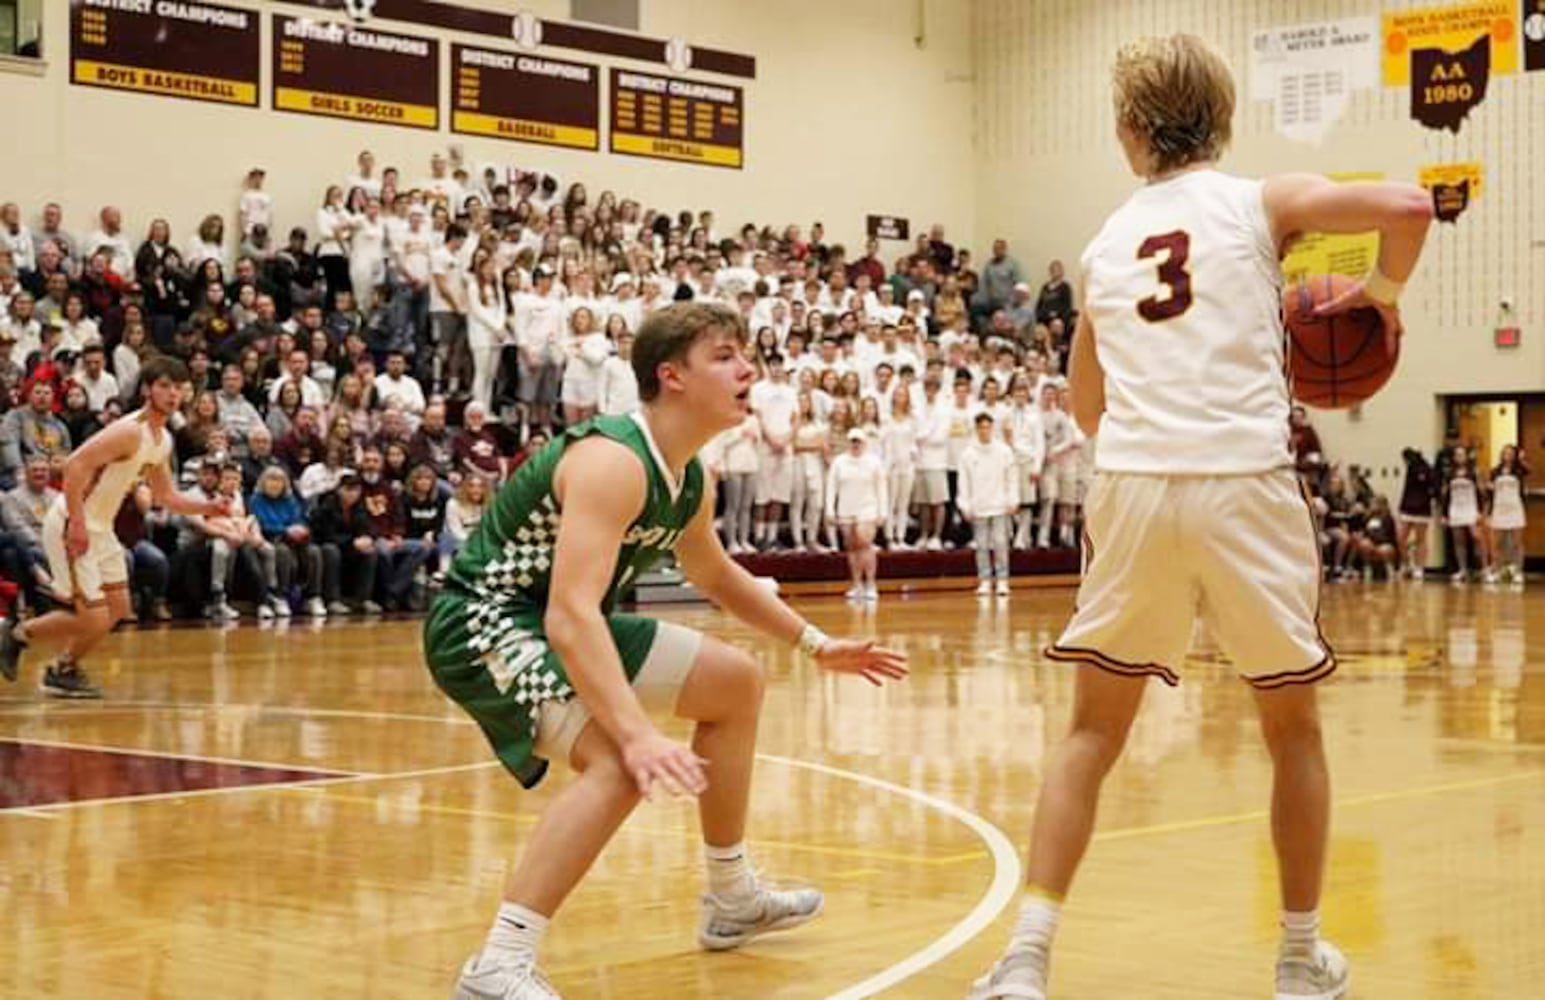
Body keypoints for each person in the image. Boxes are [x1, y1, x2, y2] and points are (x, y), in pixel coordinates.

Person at [967, 33, 1432, 1000]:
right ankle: (1299, 963)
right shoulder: (1259, 201)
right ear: (1219, 121)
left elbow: (1085, 409)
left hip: (1133, 485)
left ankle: (1024, 961)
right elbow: (1408, 205)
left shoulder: (1099, 248)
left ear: (1130, 130)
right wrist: (1378, 300)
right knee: (1290, 732)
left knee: (1090, 735)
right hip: (1243, 484)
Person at [423, 303, 906, 1000]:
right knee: (620, 763)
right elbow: (569, 617)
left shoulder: (689, 478)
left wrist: (814, 641)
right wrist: (637, 734)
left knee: (735, 683)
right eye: (725, 356)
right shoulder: (611, 461)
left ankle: (731, 895)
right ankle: (497, 963)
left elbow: (713, 575)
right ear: (671, 376)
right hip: (481, 624)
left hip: (553, 619)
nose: (747, 370)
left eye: (746, 355)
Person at [0, 356, 228, 696]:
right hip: (70, 521)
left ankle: (63, 669)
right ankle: (15, 634)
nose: (172, 394)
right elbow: (75, 465)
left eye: (178, 388)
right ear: (148, 389)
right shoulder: (129, 430)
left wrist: (208, 506)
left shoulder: (161, 439)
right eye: (164, 385)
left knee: (119, 608)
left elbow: (166, 496)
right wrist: (76, 522)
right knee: (91, 616)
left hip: (101, 528)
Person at [958, 412, 1017, 597]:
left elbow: (1011, 478)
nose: (985, 431)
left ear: (992, 428)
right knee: (982, 545)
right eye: (981, 428)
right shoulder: (968, 454)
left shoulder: (1004, 451)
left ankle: (1002, 580)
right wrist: (965, 504)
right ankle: (984, 580)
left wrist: (1012, 499)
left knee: (1000, 542)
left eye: (987, 427)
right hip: (979, 506)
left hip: (999, 505)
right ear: (976, 429)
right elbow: (963, 482)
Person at [824, 427, 886, 602]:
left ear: (864, 443)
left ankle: (871, 584)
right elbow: (832, 487)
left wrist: (882, 512)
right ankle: (857, 584)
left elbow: (881, 488)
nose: (855, 445)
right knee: (852, 547)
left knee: (865, 544)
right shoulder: (839, 462)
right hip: (846, 508)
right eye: (852, 441)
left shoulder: (874, 462)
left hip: (868, 509)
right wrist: (830, 510)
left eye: (858, 442)